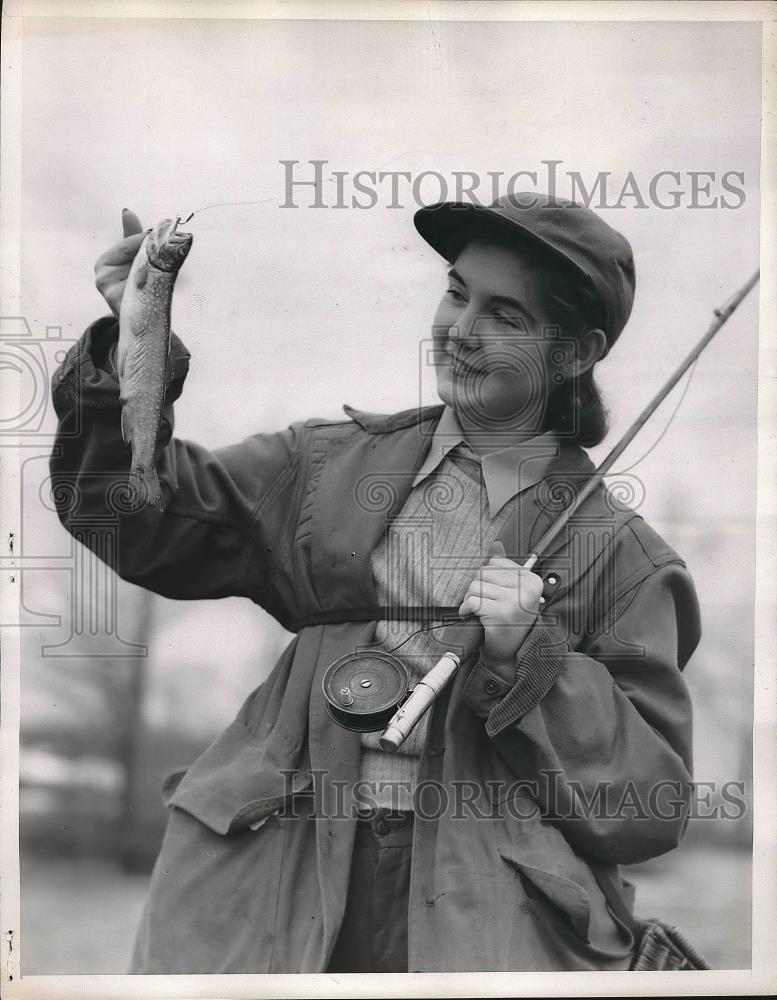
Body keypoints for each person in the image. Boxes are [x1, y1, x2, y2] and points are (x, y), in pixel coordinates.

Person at [49, 194, 701, 973]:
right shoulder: (322, 467)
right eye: (456, 292)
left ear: (575, 353)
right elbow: (131, 518)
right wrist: (133, 348)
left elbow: (645, 806)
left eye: (505, 316)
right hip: (273, 894)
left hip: (478, 929)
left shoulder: (625, 559)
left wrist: (538, 660)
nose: (459, 331)